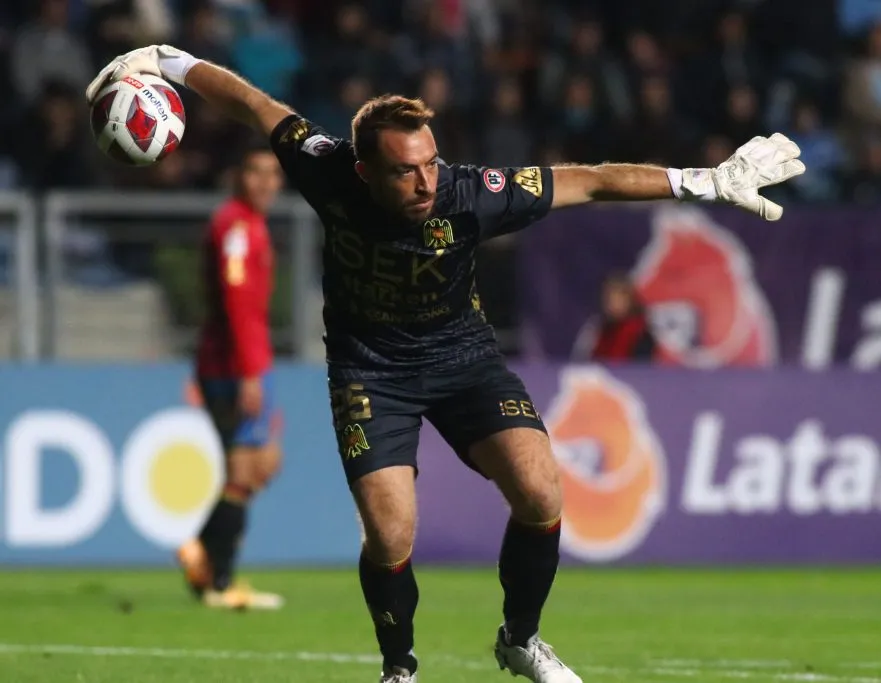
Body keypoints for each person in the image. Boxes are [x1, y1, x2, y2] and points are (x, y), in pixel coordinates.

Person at [86, 44, 805, 683]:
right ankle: (399, 666)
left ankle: (521, 639)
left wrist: (704, 181)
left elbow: (588, 180)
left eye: (431, 162)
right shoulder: (325, 169)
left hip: (463, 356)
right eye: (407, 172)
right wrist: (165, 59)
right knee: (393, 531)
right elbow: (251, 103)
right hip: (371, 369)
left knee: (541, 489)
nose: (428, 182)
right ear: (365, 170)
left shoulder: (469, 193)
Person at [178, 143, 286, 610]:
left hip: (245, 362)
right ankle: (216, 578)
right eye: (256, 172)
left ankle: (203, 552)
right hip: (234, 366)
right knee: (244, 471)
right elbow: (238, 303)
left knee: (260, 465)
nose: (266, 182)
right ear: (238, 177)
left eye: (274, 174)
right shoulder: (237, 227)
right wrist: (249, 373)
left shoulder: (247, 225)